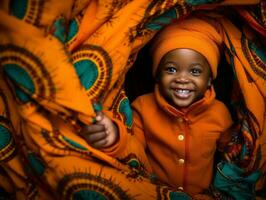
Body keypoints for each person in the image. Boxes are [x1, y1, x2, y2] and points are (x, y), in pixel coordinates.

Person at [79, 17, 234, 196]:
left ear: (209, 80)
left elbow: (231, 154)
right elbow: (133, 148)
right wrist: (114, 135)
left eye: (195, 71)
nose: (182, 79)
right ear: (157, 75)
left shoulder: (220, 113)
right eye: (171, 69)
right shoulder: (143, 107)